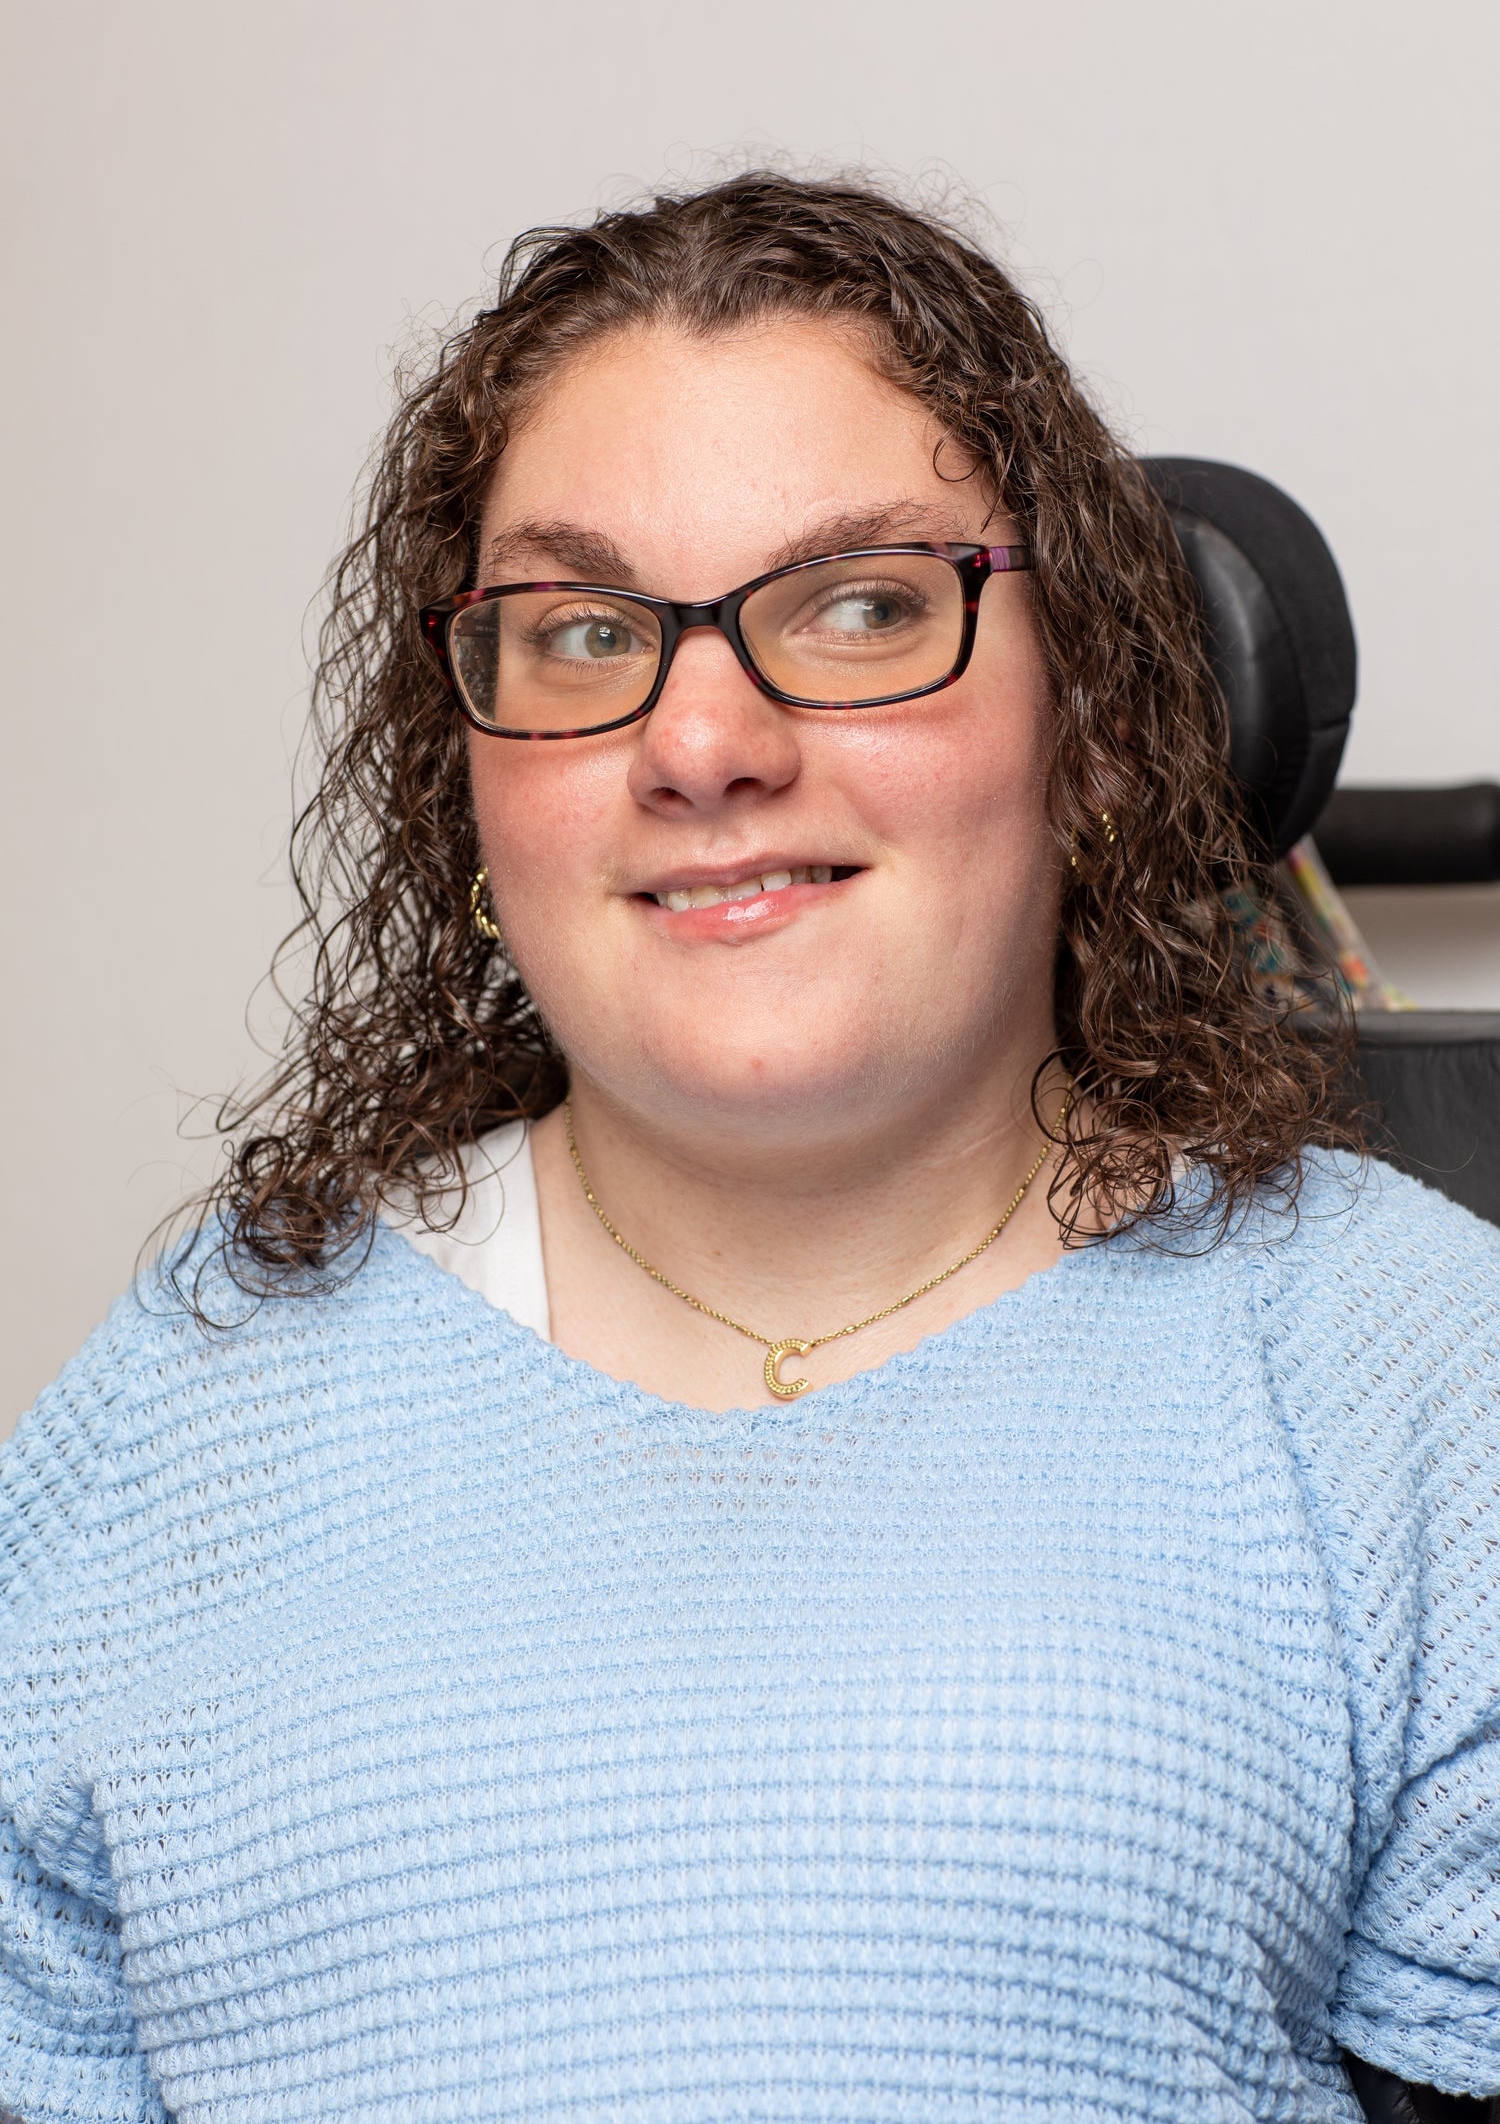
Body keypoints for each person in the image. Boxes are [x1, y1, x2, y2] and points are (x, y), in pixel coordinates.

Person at [1, 173, 1496, 2124]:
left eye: (865, 604)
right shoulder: (171, 1422)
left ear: (1100, 727)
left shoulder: (1418, 1385)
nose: (702, 741)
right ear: (469, 785)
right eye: (584, 629)